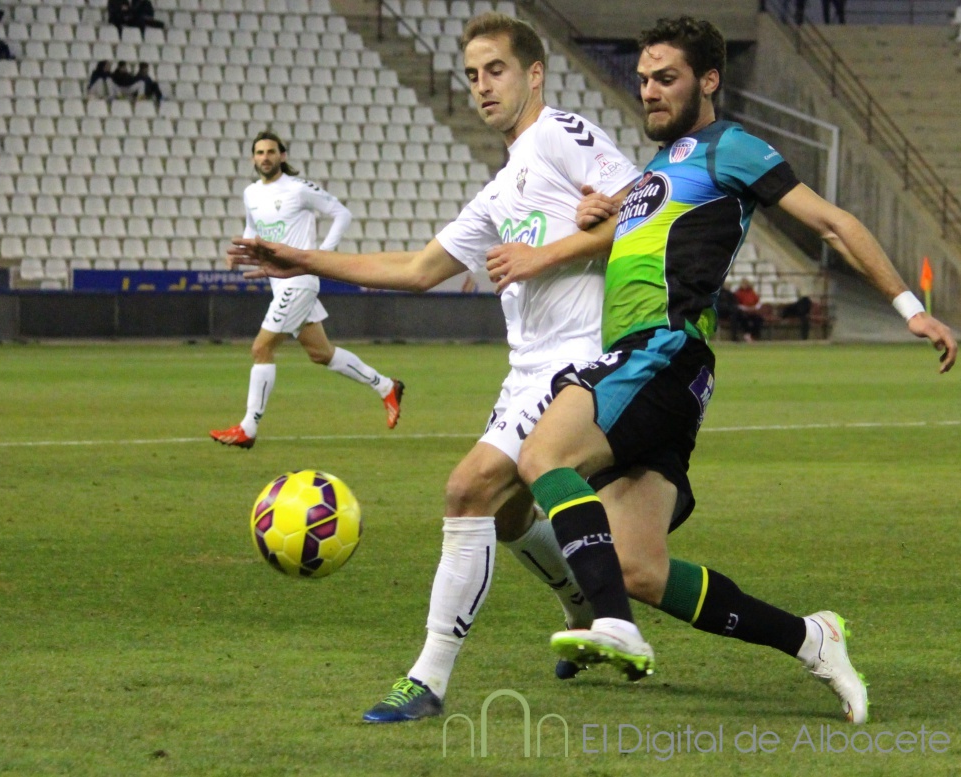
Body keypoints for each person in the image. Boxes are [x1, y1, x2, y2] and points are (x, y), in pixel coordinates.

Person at [486, 15, 956, 726]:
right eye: (643, 79)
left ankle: (610, 623)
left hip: (660, 350)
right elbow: (641, 231)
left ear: (708, 80)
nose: (649, 90)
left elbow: (831, 222)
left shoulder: (730, 147)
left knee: (542, 456)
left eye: (666, 78)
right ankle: (811, 638)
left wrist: (909, 308)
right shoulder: (660, 167)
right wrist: (601, 212)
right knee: (641, 568)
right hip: (665, 373)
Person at [227, 13, 641, 723]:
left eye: (496, 70)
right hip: (527, 369)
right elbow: (418, 269)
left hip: (579, 361)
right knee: (509, 516)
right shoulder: (502, 187)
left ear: (534, 73)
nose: (482, 85)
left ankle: (428, 678)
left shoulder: (558, 134)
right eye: (473, 74)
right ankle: (584, 606)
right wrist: (298, 258)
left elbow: (649, 198)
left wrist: (583, 230)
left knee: (466, 490)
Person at [210, 130, 406, 449]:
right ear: (253, 158)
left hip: (299, 282)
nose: (265, 157)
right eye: (259, 152)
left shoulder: (298, 189)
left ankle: (248, 428)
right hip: (281, 284)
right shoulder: (251, 193)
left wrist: (321, 256)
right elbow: (252, 228)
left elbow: (341, 214)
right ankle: (386, 386)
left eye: (270, 151)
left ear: (282, 156)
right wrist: (240, 252)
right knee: (321, 354)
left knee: (261, 348)